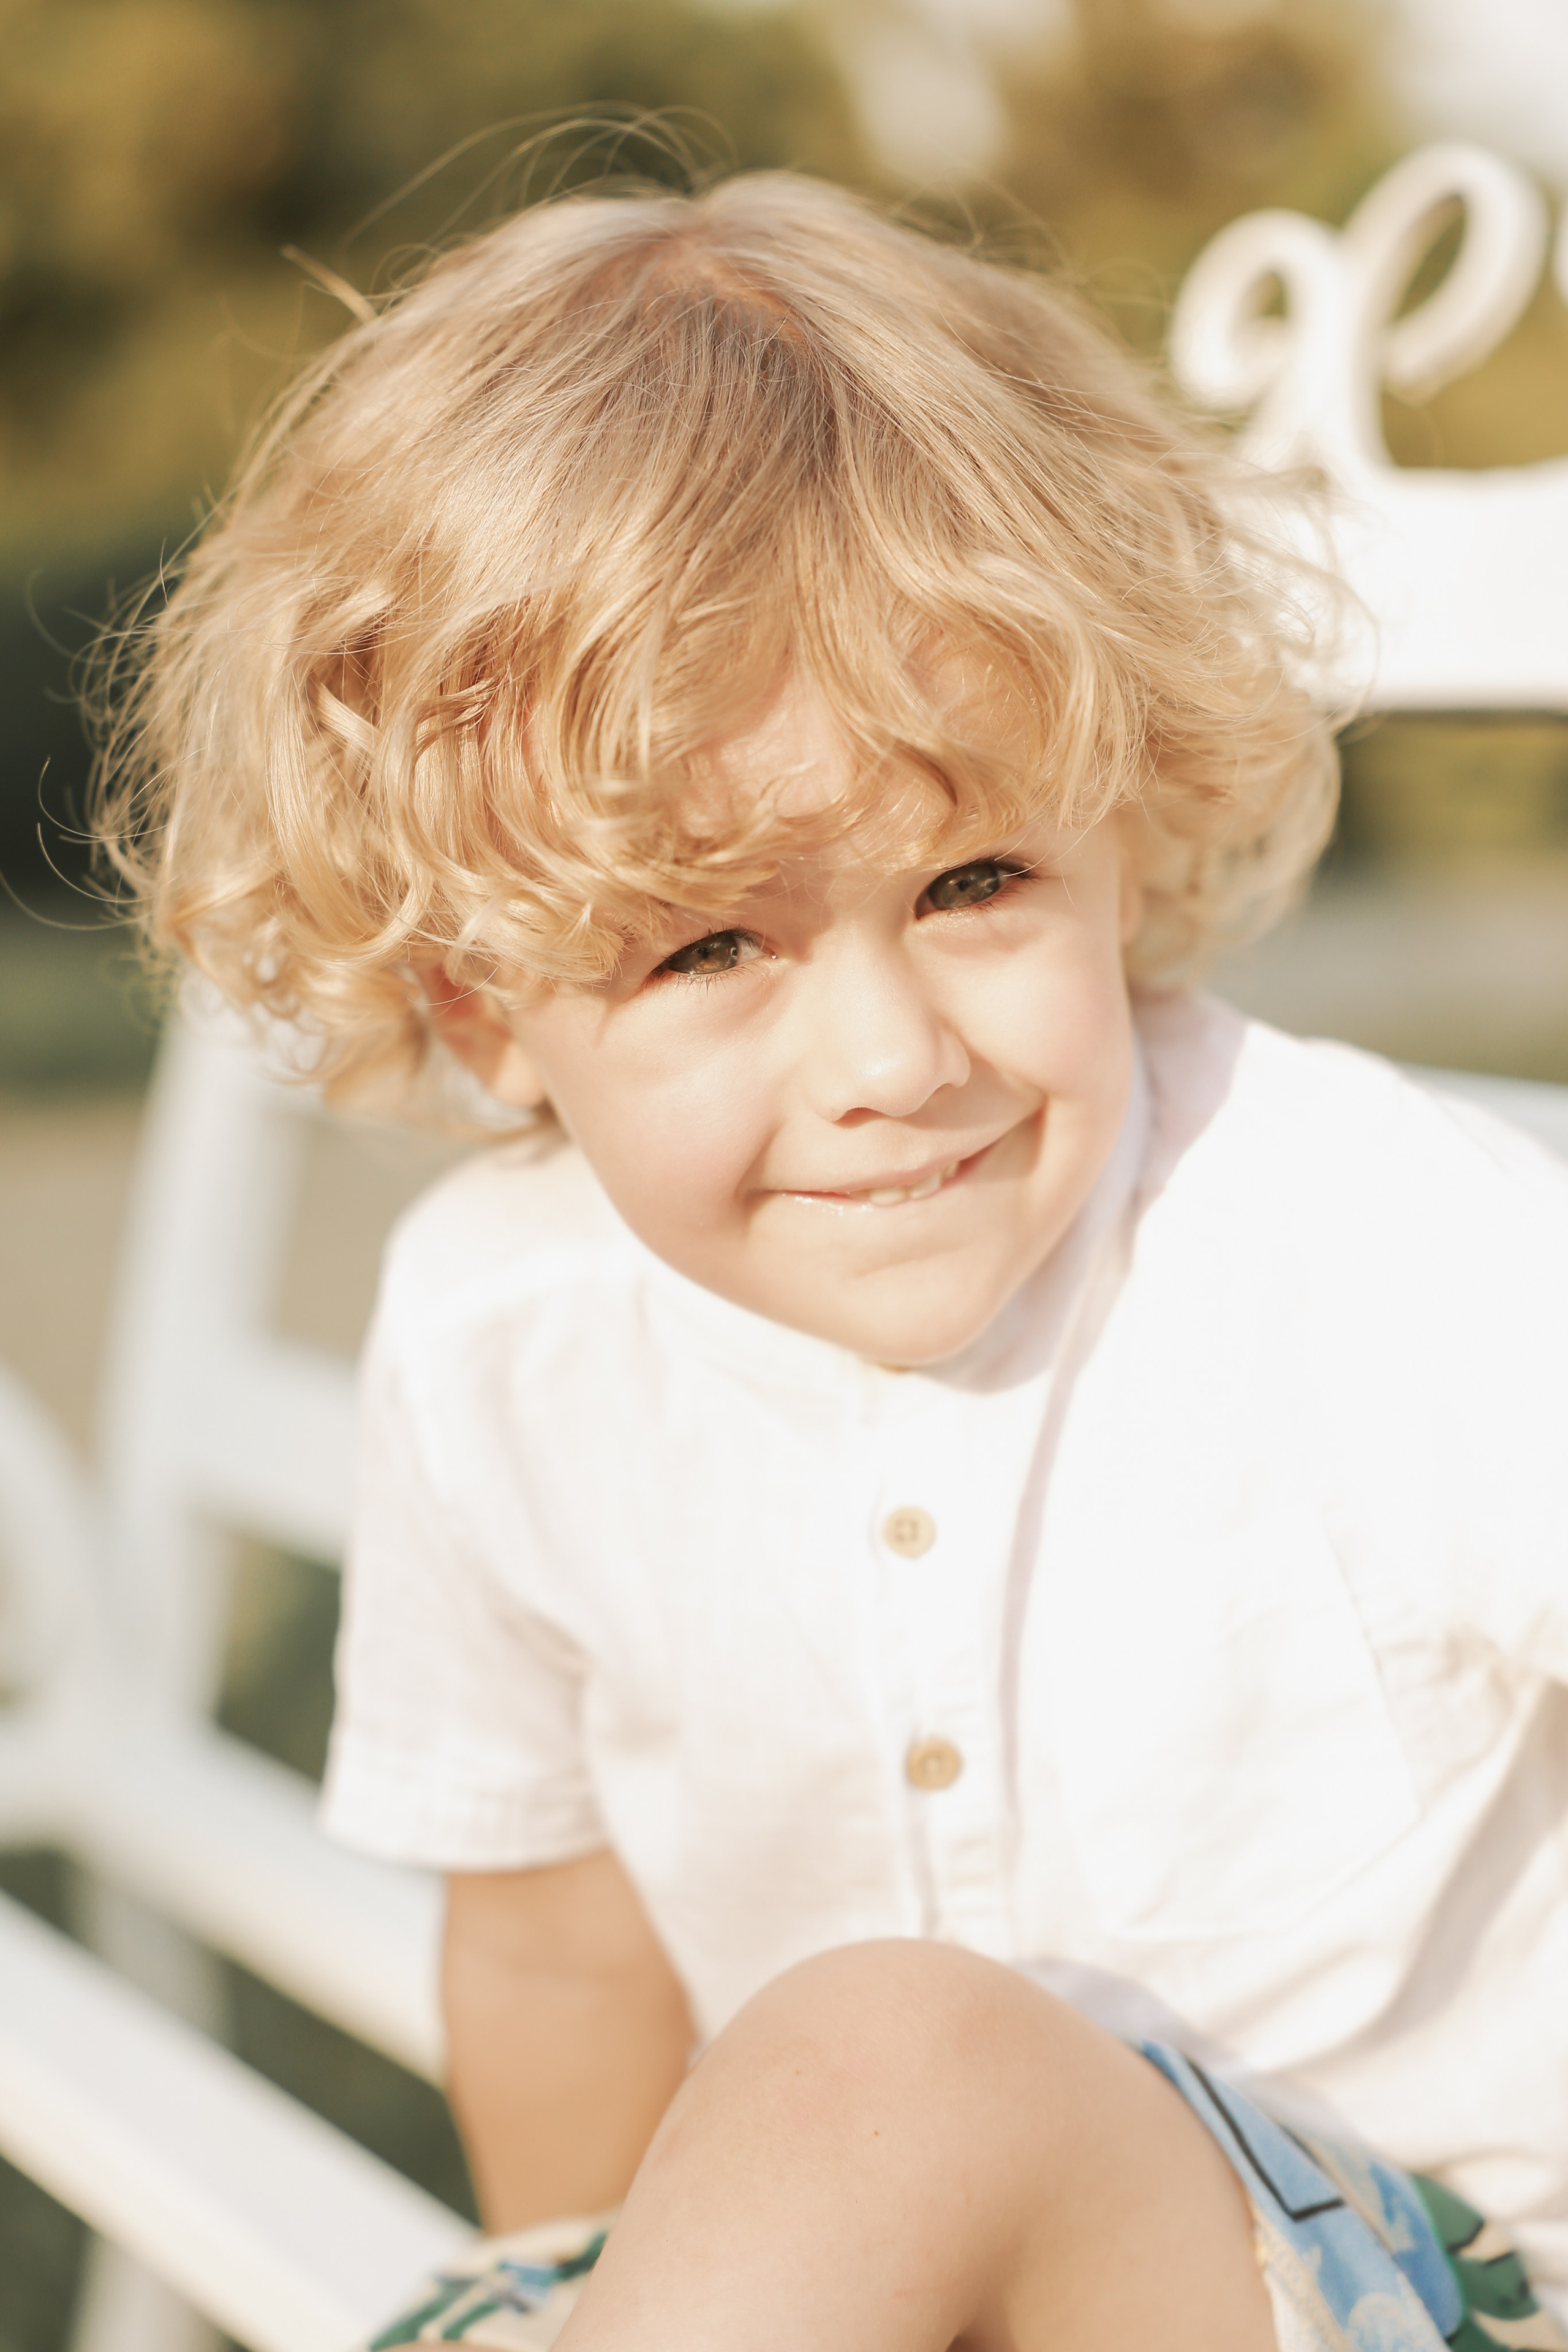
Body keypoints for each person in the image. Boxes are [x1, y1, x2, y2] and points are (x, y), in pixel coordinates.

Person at [95, 172, 1568, 2352]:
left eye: (976, 882)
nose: (894, 1061)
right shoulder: (502, 1334)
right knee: (855, 2100)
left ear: (1128, 825)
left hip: (1414, 2287)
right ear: (487, 1013)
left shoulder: (1374, 1248)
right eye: (709, 946)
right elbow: (561, 1946)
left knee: (885, 2064)